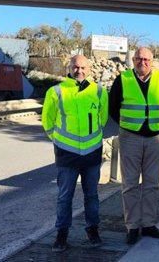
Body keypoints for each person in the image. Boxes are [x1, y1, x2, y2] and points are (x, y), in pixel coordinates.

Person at [41, 55, 109, 252]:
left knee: (92, 195)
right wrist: (61, 142)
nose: (79, 70)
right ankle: (61, 234)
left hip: (92, 153)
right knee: (64, 196)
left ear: (89, 69)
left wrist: (92, 139)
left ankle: (93, 230)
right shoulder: (56, 91)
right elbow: (48, 122)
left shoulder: (98, 91)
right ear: (69, 68)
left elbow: (102, 119)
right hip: (67, 154)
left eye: (82, 67)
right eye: (75, 67)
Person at [109, 47, 159, 244]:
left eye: (146, 59)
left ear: (152, 61)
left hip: (155, 138)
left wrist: (158, 124)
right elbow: (113, 107)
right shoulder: (123, 79)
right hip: (130, 138)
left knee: (152, 183)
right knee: (130, 184)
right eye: (138, 58)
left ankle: (148, 224)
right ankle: (132, 227)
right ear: (133, 60)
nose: (142, 62)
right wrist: (127, 127)